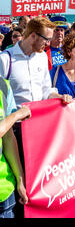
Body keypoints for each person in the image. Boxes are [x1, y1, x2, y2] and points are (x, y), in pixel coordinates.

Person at [0, 16, 72, 171]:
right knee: (20, 174)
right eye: (46, 39)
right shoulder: (5, 59)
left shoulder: (41, 58)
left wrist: (59, 97)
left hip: (38, 125)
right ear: (32, 35)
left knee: (39, 172)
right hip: (14, 130)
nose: (48, 43)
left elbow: (46, 91)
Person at [0, 77, 31, 218]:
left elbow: (8, 137)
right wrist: (17, 114)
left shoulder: (3, 85)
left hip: (5, 192)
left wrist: (20, 179)